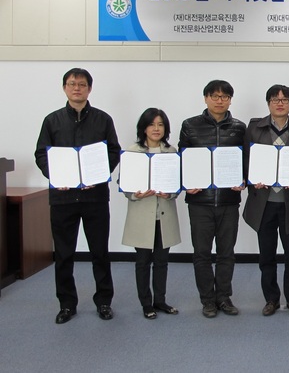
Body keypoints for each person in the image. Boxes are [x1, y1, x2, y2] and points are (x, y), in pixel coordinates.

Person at [34, 68, 121, 324]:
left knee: (100, 252)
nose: (77, 88)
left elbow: (113, 152)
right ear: (64, 88)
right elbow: (41, 154)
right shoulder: (52, 121)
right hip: (62, 199)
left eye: (82, 84)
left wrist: (98, 175)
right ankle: (66, 304)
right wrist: (56, 176)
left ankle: (104, 301)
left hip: (95, 197)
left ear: (89, 89)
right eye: (72, 84)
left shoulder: (103, 120)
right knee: (63, 254)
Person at [179, 80, 246, 318]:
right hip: (200, 202)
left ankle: (224, 298)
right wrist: (186, 182)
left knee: (226, 253)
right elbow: (182, 159)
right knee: (202, 253)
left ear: (230, 100)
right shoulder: (190, 125)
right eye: (215, 96)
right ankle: (207, 300)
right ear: (206, 98)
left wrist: (244, 180)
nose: (220, 101)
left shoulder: (239, 128)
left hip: (228, 201)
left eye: (224, 97)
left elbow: (245, 161)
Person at [243, 85, 289, 317]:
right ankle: (271, 299)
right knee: (267, 255)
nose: (280, 103)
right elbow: (246, 160)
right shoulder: (254, 128)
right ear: (268, 103)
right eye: (275, 99)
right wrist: (253, 179)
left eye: (284, 100)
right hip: (264, 203)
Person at [121, 108, 181, 320]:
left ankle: (160, 300)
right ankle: (146, 304)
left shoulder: (171, 152)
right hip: (142, 216)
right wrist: (135, 194)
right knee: (143, 261)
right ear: (143, 128)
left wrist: (170, 193)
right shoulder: (132, 152)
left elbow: (178, 183)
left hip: (164, 215)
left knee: (162, 261)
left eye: (160, 124)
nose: (156, 129)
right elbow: (124, 184)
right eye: (152, 124)